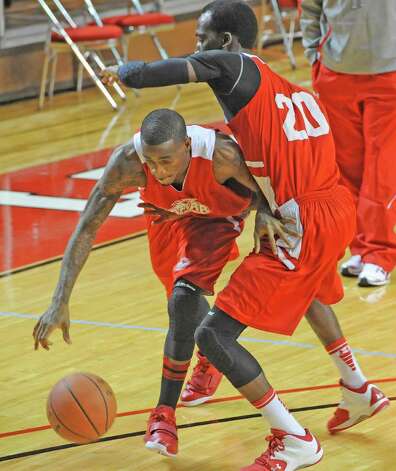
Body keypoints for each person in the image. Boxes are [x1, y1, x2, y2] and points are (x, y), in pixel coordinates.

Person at [101, 1, 390, 470]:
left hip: (305, 216)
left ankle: (293, 438)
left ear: (227, 42)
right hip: (334, 205)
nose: (198, 50)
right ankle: (357, 387)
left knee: (212, 335)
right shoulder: (284, 88)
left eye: (202, 40)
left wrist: (125, 71)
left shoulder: (233, 66)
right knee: (310, 290)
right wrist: (268, 207)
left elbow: (161, 71)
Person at [33, 108, 295, 458]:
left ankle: (163, 415)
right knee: (178, 300)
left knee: (183, 299)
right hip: (167, 215)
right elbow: (87, 226)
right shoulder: (127, 162)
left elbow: (267, 185)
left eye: (167, 160)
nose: (157, 170)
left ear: (187, 145)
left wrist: (264, 210)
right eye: (151, 162)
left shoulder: (222, 154)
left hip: (215, 215)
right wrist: (59, 300)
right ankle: (210, 351)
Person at [300, 0, 396, 287]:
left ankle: (380, 254)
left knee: (381, 169)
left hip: (390, 72)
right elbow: (310, 8)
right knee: (347, 167)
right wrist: (313, 54)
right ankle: (361, 247)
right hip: (335, 72)